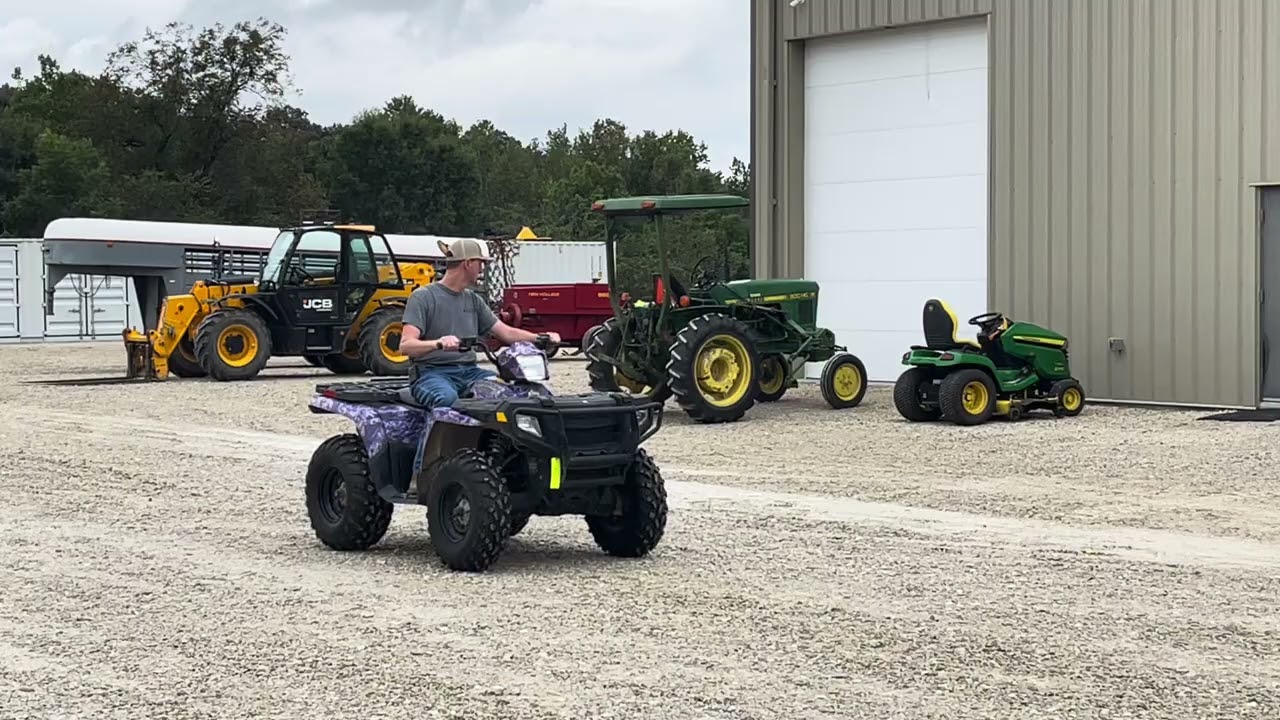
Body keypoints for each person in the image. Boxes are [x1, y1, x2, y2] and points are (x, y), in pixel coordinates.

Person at [399, 236, 561, 409]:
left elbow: (505, 333)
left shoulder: (473, 300)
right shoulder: (423, 297)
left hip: (470, 372)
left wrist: (541, 338)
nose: (482, 269)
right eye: (480, 263)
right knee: (446, 399)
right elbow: (406, 346)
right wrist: (439, 343)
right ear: (468, 263)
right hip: (431, 373)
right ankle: (437, 436)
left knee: (507, 396)